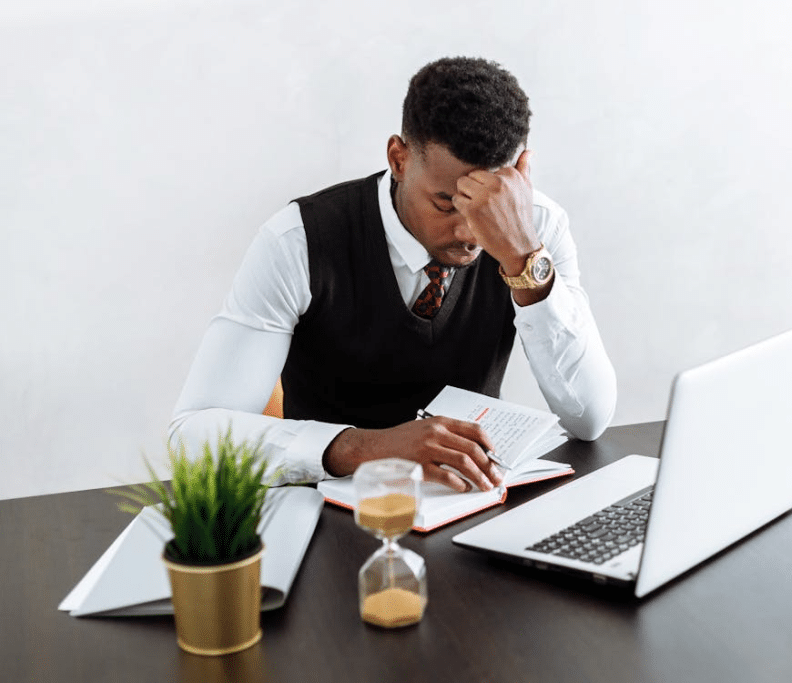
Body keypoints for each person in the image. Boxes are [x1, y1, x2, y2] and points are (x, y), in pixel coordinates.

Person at [169, 56, 616, 492]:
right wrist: (371, 447)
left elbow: (589, 419)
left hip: (466, 508)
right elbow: (191, 437)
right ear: (398, 158)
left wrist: (524, 262)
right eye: (446, 203)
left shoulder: (536, 233)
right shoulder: (297, 240)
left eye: (488, 206)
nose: (469, 232)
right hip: (327, 514)